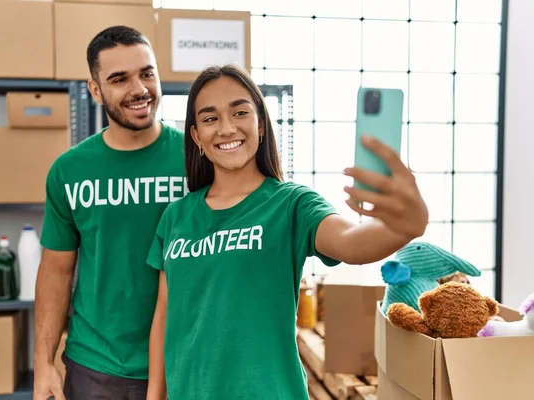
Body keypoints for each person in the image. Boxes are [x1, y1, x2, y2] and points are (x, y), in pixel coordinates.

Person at [145, 64, 429, 400]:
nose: (226, 127)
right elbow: (165, 315)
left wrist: (404, 226)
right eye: (210, 119)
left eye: (240, 112)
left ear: (260, 124)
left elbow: (350, 243)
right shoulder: (175, 217)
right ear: (196, 137)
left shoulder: (291, 204)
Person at [33, 26, 187, 400]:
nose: (139, 89)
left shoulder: (198, 160)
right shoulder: (69, 170)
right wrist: (43, 360)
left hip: (184, 358)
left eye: (147, 73)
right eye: (120, 79)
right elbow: (56, 270)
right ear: (96, 90)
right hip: (95, 366)